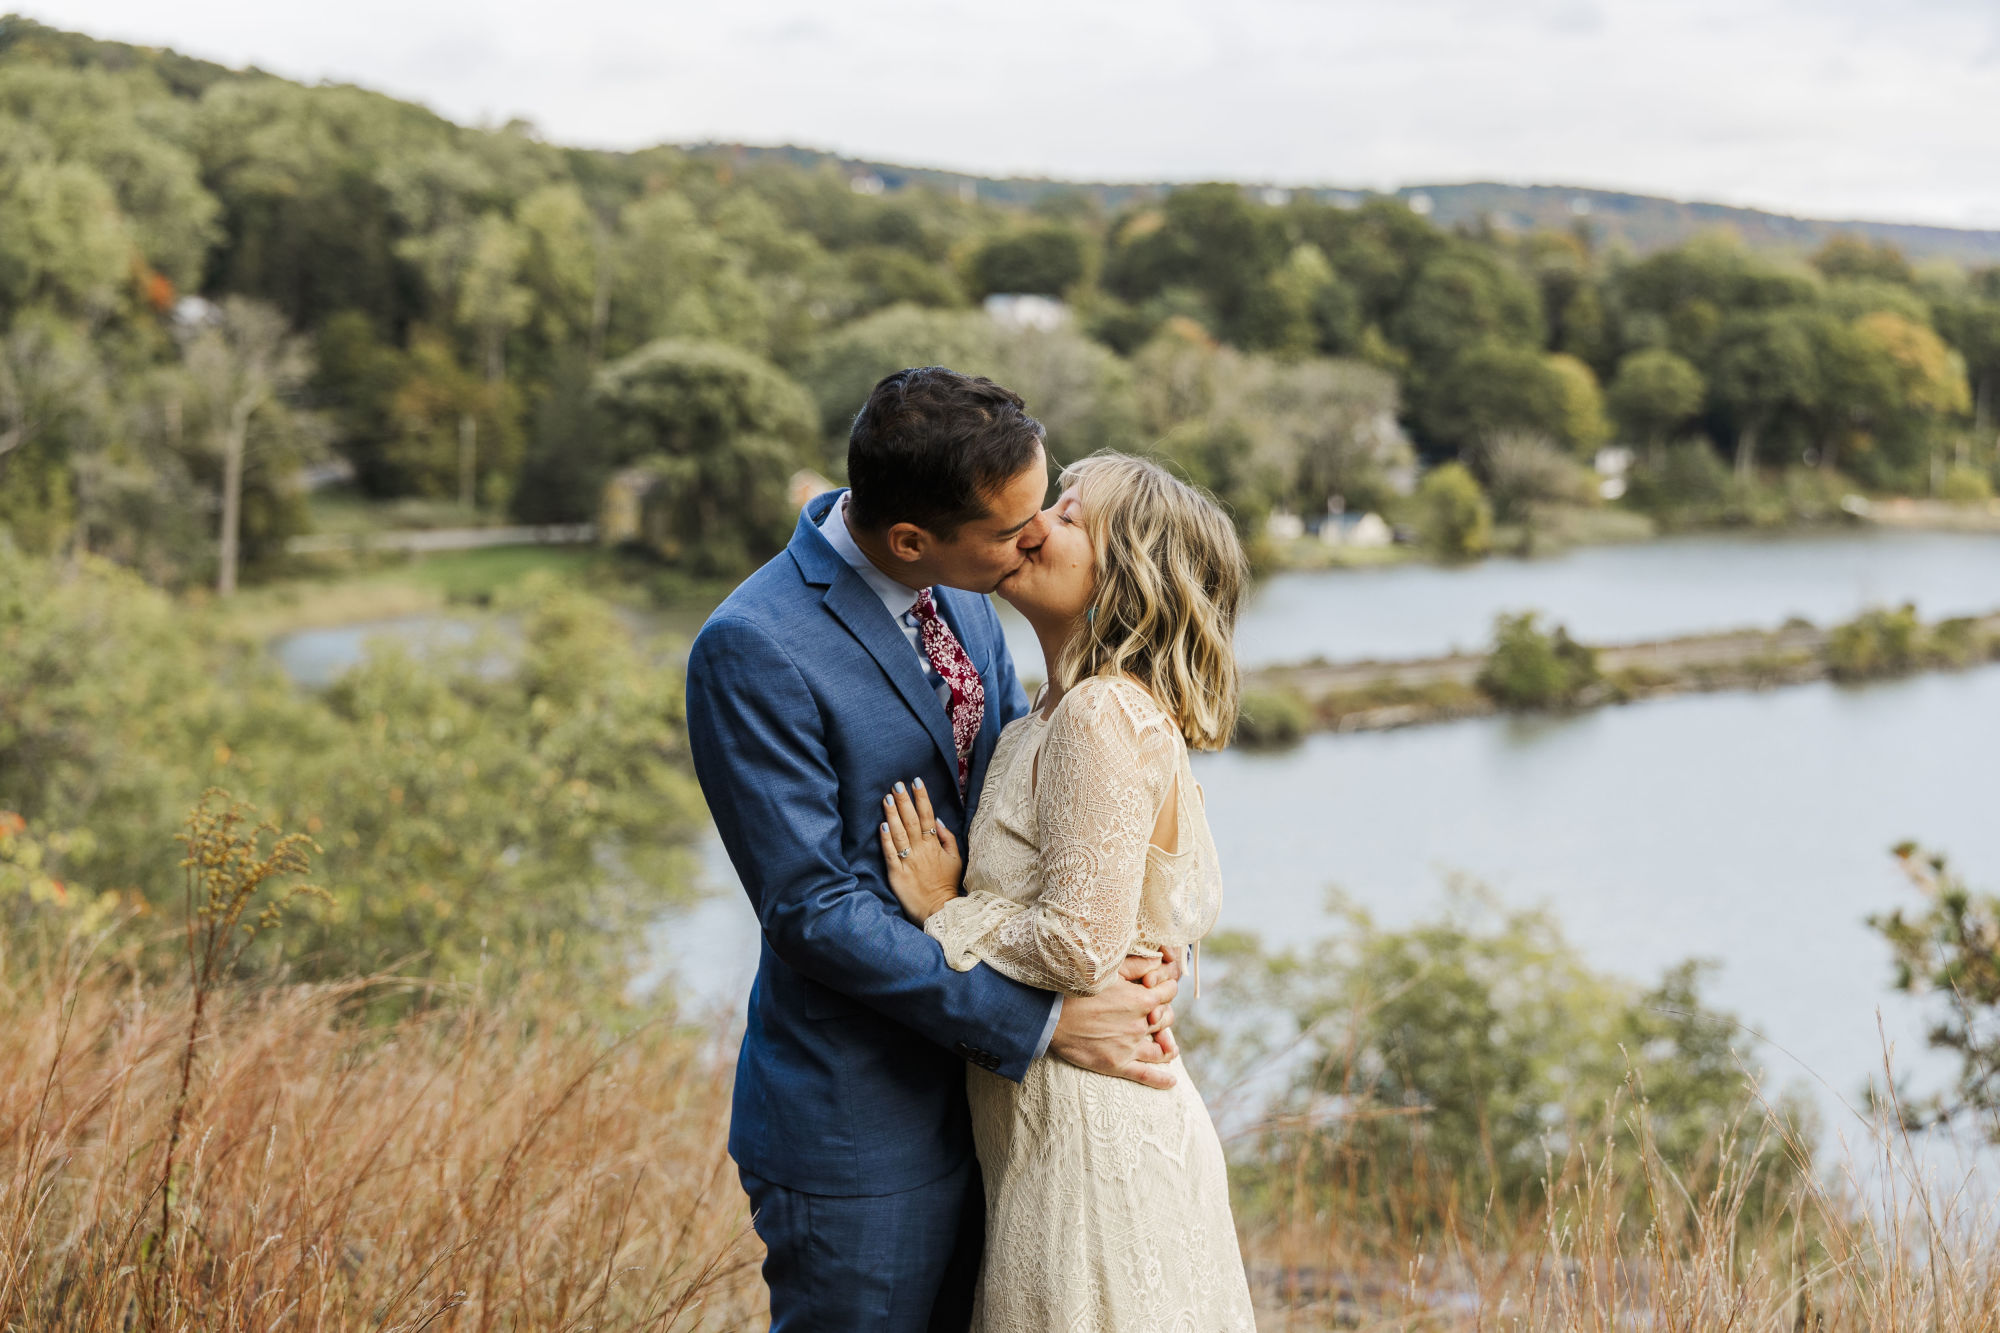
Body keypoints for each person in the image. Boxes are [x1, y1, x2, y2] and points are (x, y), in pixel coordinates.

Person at [684, 369, 1183, 1332]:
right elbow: (812, 910)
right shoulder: (752, 647)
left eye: (1044, 510)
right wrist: (1042, 1024)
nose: (1034, 537)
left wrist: (1134, 951)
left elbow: (1025, 821)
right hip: (864, 1125)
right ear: (912, 538)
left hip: (1011, 1119)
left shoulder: (963, 591)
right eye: (1010, 529)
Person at [876, 451, 1258, 1331]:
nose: (1036, 523)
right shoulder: (1038, 719)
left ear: (1127, 574)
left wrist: (942, 908)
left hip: (1095, 1134)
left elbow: (1079, 946)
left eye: (1073, 516)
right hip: (1045, 1126)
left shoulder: (1101, 714)